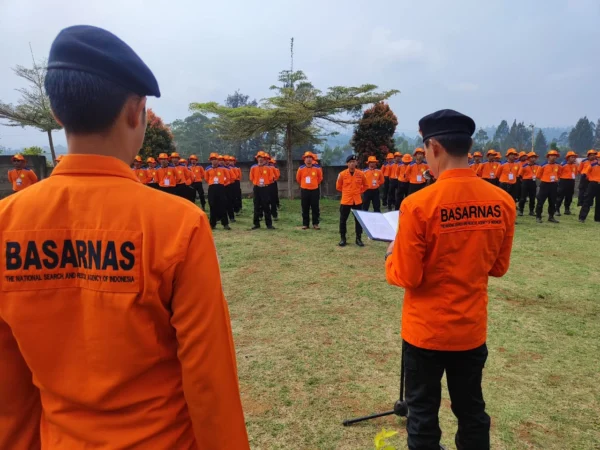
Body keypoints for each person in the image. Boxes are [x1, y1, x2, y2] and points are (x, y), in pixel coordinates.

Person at [0, 25, 248, 450]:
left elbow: (9, 384)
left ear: (59, 114)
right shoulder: (178, 225)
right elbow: (209, 380)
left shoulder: (7, 223)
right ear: (137, 111)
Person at [386, 109, 515, 450]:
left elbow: (408, 276)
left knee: (423, 413)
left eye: (425, 151)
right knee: (472, 410)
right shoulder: (502, 201)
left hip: (425, 332)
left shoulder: (417, 205)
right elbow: (498, 268)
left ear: (434, 147)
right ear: (467, 146)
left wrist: (390, 258)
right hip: (470, 330)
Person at [336, 154, 368, 247]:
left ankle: (358, 238)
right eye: (350, 162)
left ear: (356, 163)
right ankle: (343, 238)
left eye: (354, 162)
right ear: (347, 164)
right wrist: (347, 192)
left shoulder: (361, 174)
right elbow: (338, 186)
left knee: (358, 220)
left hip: (357, 200)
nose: (352, 164)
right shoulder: (342, 174)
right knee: (343, 220)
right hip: (346, 200)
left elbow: (366, 185)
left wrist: (359, 191)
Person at [205, 153, 231, 230]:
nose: (214, 161)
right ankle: (212, 224)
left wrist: (223, 184)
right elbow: (206, 178)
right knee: (212, 206)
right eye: (212, 159)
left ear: (218, 160)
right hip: (212, 188)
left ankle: (225, 224)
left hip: (221, 187)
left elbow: (228, 178)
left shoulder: (223, 169)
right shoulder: (207, 169)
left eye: (215, 159)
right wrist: (212, 183)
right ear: (210, 161)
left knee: (222, 205)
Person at [296, 151, 323, 229]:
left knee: (315, 207)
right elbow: (298, 179)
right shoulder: (301, 169)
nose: (308, 159)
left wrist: (314, 184)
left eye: (310, 158)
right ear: (304, 159)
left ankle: (315, 224)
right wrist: (304, 184)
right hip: (304, 190)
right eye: (307, 158)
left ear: (312, 159)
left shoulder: (317, 168)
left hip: (314, 190)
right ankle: (305, 224)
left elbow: (320, 178)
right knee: (305, 207)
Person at [250, 151, 276, 230]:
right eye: (259, 158)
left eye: (262, 158)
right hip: (257, 188)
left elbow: (272, 179)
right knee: (256, 206)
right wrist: (257, 183)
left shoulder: (268, 168)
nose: (260, 159)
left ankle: (269, 224)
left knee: (266, 206)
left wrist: (265, 183)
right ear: (257, 158)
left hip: (265, 188)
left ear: (265, 159)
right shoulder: (253, 168)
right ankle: (256, 224)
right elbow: (251, 178)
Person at [536, 149, 561, 223]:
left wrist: (554, 179)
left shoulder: (558, 165)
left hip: (554, 185)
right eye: (552, 156)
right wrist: (546, 179)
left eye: (555, 156)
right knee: (540, 201)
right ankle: (538, 216)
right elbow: (538, 175)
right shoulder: (543, 165)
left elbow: (559, 174)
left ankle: (551, 216)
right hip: (545, 184)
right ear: (548, 157)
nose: (554, 157)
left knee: (552, 201)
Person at [555, 151, 579, 216]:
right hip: (563, 181)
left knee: (569, 196)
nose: (574, 159)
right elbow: (557, 172)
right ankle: (557, 210)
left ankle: (567, 209)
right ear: (568, 158)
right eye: (572, 157)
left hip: (571, 181)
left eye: (574, 157)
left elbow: (577, 172)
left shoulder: (575, 165)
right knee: (560, 196)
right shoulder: (563, 164)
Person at [517, 152, 540, 216]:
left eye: (534, 157)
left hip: (533, 182)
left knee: (532, 197)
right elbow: (520, 175)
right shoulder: (524, 166)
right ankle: (521, 210)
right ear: (529, 158)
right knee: (523, 197)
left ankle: (531, 211)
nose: (533, 159)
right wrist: (523, 181)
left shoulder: (537, 166)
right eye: (532, 157)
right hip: (525, 182)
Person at [578, 157, 600, 223]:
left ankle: (598, 218)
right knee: (587, 200)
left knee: (599, 202)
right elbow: (585, 173)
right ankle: (582, 217)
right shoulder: (592, 165)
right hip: (593, 184)